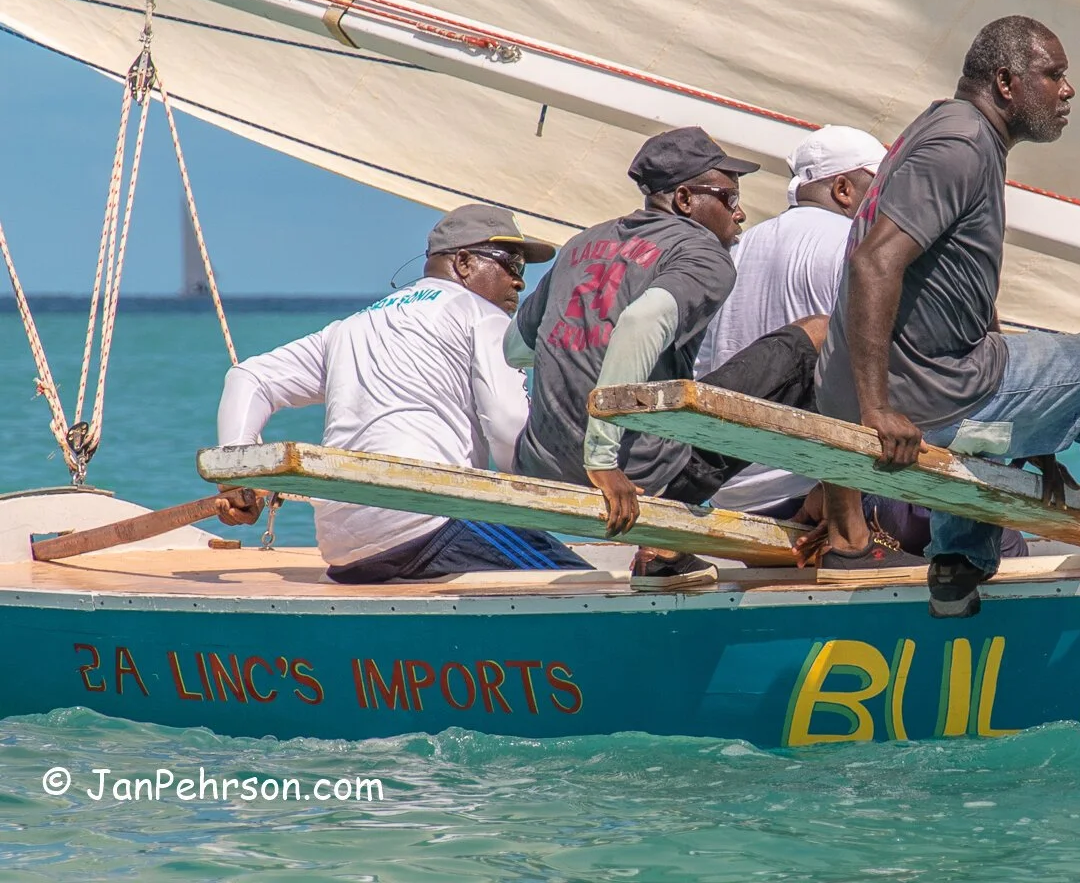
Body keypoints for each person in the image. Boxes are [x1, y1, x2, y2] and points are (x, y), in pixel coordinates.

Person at [815, 15, 1080, 618]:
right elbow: (872, 264)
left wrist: (1039, 428)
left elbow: (963, 304)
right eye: (1054, 74)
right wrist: (876, 408)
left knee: (1003, 365)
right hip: (915, 400)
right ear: (1006, 82)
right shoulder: (961, 145)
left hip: (916, 388)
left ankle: (957, 565)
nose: (1067, 90)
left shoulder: (946, 131)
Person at [505, 125, 923, 589]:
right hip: (628, 472)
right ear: (685, 199)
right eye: (727, 197)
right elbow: (641, 323)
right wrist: (601, 455)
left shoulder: (583, 245)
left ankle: (667, 548)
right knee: (820, 335)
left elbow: (517, 347)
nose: (739, 213)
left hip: (544, 465)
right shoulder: (700, 251)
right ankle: (848, 541)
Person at [214, 204, 591, 583]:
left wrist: (237, 475)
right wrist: (583, 491)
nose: (520, 282)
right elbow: (510, 433)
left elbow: (250, 377)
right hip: (428, 524)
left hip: (344, 547)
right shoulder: (482, 315)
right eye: (511, 264)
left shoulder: (351, 326)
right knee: (589, 587)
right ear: (463, 262)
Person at [694, 125, 885, 517]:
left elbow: (702, 368)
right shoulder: (861, 249)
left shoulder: (733, 253)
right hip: (816, 498)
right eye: (883, 185)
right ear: (843, 189)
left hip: (733, 497)